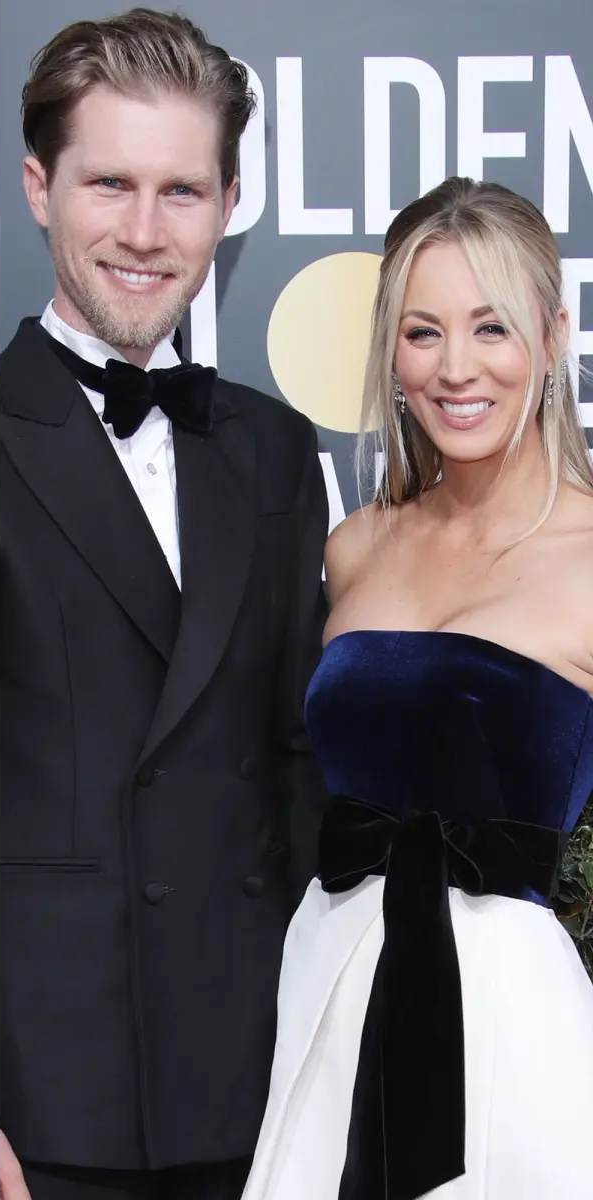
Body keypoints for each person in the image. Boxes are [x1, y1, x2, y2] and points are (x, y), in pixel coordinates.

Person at [0, 10, 329, 1199]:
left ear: (229, 203)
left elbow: (295, 766)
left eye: (182, 191)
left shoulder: (276, 449)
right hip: (47, 1102)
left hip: (253, 1081)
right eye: (110, 185)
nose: (144, 233)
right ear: (38, 187)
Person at [240, 177, 593, 1199]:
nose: (456, 368)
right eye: (422, 331)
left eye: (491, 327)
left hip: (513, 1022)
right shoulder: (355, 547)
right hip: (328, 982)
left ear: (552, 333)